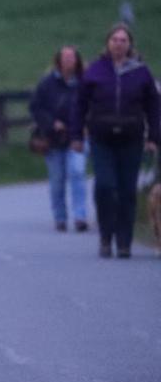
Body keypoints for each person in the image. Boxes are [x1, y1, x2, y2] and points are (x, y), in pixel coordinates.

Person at [71, 23, 161, 258]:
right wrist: (76, 135)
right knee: (105, 186)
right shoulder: (95, 71)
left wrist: (154, 137)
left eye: (123, 40)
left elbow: (153, 106)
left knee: (126, 190)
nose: (119, 44)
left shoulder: (141, 72)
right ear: (107, 43)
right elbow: (80, 104)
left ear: (130, 44)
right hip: (102, 137)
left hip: (131, 138)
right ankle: (105, 235)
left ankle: (124, 241)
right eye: (115, 40)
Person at [29, 46, 89, 232]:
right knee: (57, 180)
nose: (69, 61)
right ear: (59, 61)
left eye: (72, 57)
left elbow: (93, 105)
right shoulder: (47, 83)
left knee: (78, 172)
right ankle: (60, 217)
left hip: (77, 136)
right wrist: (51, 123)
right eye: (66, 57)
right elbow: (36, 107)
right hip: (54, 139)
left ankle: (80, 216)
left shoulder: (84, 83)